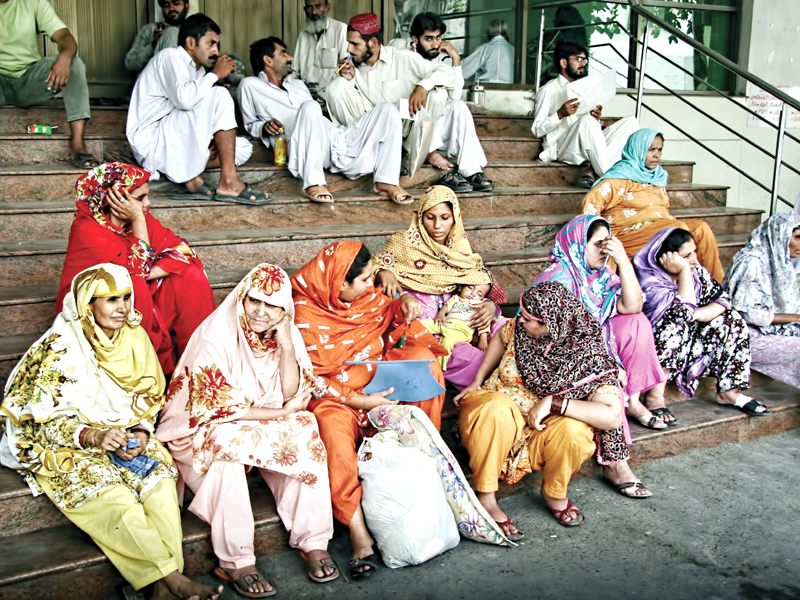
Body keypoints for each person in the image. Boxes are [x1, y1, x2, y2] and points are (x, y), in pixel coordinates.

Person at [0, 264, 222, 600]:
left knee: (160, 485)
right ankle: (176, 581)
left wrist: (142, 431)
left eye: (126, 298)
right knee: (115, 499)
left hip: (126, 434)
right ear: (88, 304)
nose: (123, 308)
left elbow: (149, 396)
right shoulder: (62, 347)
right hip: (71, 442)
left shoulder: (134, 337)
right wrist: (92, 436)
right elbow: (40, 417)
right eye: (110, 300)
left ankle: (159, 591)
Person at [156, 264, 337, 598]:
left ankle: (313, 540)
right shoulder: (215, 336)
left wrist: (285, 346)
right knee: (225, 449)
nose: (261, 312)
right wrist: (283, 411)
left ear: (285, 310)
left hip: (258, 419)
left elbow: (290, 393)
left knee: (305, 429)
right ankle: (236, 559)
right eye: (254, 300)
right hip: (203, 426)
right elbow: (217, 410)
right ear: (242, 298)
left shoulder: (285, 331)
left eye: (272, 305)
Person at [291, 240, 447, 580]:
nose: (370, 285)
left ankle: (431, 465)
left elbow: (386, 316)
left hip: (377, 381)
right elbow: (310, 378)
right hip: (338, 397)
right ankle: (358, 530)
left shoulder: (364, 296)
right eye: (364, 280)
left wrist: (403, 302)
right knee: (330, 425)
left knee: (425, 363)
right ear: (338, 284)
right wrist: (361, 401)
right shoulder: (305, 315)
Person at [455, 282, 624, 532]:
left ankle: (555, 494)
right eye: (521, 315)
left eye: (529, 319)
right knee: (495, 406)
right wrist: (477, 381)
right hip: (495, 423)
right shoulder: (518, 329)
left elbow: (611, 416)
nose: (521, 321)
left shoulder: (587, 354)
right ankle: (486, 497)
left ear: (552, 326)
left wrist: (554, 402)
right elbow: (501, 340)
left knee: (575, 431)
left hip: (541, 431)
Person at [534, 215, 669, 497]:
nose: (604, 252)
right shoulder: (555, 280)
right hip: (562, 359)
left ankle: (631, 399)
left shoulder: (602, 276)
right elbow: (555, 340)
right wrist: (604, 364)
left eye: (609, 245)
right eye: (598, 245)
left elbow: (632, 306)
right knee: (605, 378)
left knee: (637, 322)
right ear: (577, 244)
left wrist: (623, 261)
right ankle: (617, 463)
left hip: (596, 352)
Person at [56, 163, 215, 375]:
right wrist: (138, 219)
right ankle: (155, 371)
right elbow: (133, 273)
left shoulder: (139, 220)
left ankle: (198, 367)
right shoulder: (88, 230)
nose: (148, 204)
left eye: (146, 196)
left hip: (139, 304)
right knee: (135, 285)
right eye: (140, 198)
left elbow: (182, 251)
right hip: (99, 315)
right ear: (113, 198)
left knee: (189, 275)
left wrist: (149, 273)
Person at [326, 13, 494, 192]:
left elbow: (448, 75)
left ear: (373, 43)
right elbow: (361, 108)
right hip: (378, 134)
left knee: (441, 97)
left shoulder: (402, 58)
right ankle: (375, 155)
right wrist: (350, 81)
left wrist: (423, 87)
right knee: (335, 88)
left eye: (354, 44)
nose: (349, 50)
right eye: (348, 43)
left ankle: (466, 167)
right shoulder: (355, 68)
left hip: (411, 129)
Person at [239, 37, 410, 205]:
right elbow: (249, 124)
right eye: (284, 53)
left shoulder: (297, 84)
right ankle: (314, 182)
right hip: (300, 144)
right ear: (268, 60)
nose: (290, 58)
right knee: (310, 106)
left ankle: (386, 181)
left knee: (387, 110)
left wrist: (348, 77)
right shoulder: (249, 85)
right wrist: (263, 126)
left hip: (332, 137)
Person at [373, 185, 508, 389]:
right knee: (479, 361)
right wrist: (384, 274)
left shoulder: (459, 247)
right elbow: (376, 267)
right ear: (420, 217)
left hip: (464, 317)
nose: (437, 226)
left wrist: (490, 307)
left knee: (508, 328)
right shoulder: (403, 243)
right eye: (430, 217)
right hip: (431, 329)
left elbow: (478, 279)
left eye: (445, 217)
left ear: (455, 217)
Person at [126, 13, 264, 203]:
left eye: (217, 45)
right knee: (220, 95)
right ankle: (229, 181)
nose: (216, 51)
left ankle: (188, 174)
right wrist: (214, 75)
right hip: (153, 139)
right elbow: (184, 100)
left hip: (173, 140)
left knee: (240, 148)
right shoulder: (170, 56)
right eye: (211, 43)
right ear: (191, 43)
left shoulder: (198, 71)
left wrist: (209, 139)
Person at [634, 227, 771, 417]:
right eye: (686, 256)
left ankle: (728, 392)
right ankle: (654, 397)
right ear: (665, 257)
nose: (694, 260)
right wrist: (683, 273)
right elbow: (683, 314)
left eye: (694, 252)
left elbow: (723, 301)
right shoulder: (648, 280)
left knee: (732, 320)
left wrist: (698, 314)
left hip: (691, 342)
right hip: (657, 351)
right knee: (674, 326)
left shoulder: (695, 270)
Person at [583, 128, 725, 281]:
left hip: (658, 228)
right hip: (629, 234)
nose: (657, 155)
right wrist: (602, 236)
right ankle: (682, 287)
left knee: (700, 228)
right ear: (638, 149)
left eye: (659, 150)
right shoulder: (618, 178)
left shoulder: (657, 177)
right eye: (651, 150)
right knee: (678, 232)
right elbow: (591, 207)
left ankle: (714, 286)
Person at [0, 0, 97, 169]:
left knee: (75, 65)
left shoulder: (33, 2)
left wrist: (65, 57)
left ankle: (77, 144)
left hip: (29, 80)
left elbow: (64, 36)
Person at [532, 41, 638, 188]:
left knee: (631, 123)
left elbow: (587, 124)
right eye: (578, 59)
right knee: (587, 121)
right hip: (561, 146)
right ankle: (609, 180)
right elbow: (537, 129)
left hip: (584, 140)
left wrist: (596, 117)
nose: (583, 63)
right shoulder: (548, 90)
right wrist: (560, 113)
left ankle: (593, 171)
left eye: (585, 60)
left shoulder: (583, 88)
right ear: (563, 62)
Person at [724, 213, 800, 389]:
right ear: (780, 234)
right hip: (744, 334)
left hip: (771, 330)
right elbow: (748, 313)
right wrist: (796, 318)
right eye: (797, 237)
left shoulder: (780, 261)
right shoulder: (751, 261)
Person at [388, 12, 465, 102]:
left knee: (458, 105)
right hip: (402, 111)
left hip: (433, 114)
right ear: (415, 39)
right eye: (428, 39)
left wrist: (456, 58)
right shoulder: (403, 55)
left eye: (438, 37)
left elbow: (455, 97)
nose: (435, 45)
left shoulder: (441, 59)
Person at [420, 280, 493, 370]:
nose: (473, 294)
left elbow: (483, 323)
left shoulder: (479, 305)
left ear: (483, 298)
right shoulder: (455, 299)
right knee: (423, 324)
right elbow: (446, 307)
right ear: (461, 287)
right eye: (470, 288)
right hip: (447, 323)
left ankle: (438, 367)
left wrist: (483, 340)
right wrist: (441, 315)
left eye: (479, 294)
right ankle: (404, 337)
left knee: (447, 341)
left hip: (461, 330)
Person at [293, 0, 349, 100]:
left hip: (331, 99)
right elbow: (295, 71)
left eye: (318, 6)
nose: (314, 12)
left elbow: (346, 69)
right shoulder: (303, 34)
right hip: (305, 98)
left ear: (327, 7)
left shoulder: (341, 30)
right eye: (310, 7)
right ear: (304, 10)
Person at [124, 0, 188, 73]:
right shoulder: (150, 29)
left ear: (186, 6)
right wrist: (153, 45)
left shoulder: (194, 31)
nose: (171, 8)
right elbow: (129, 63)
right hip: (154, 81)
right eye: (166, 5)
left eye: (176, 3)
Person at [461, 19, 514, 84]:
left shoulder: (484, 48)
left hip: (486, 89)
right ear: (506, 33)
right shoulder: (513, 50)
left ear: (489, 33)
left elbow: (464, 71)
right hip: (509, 90)